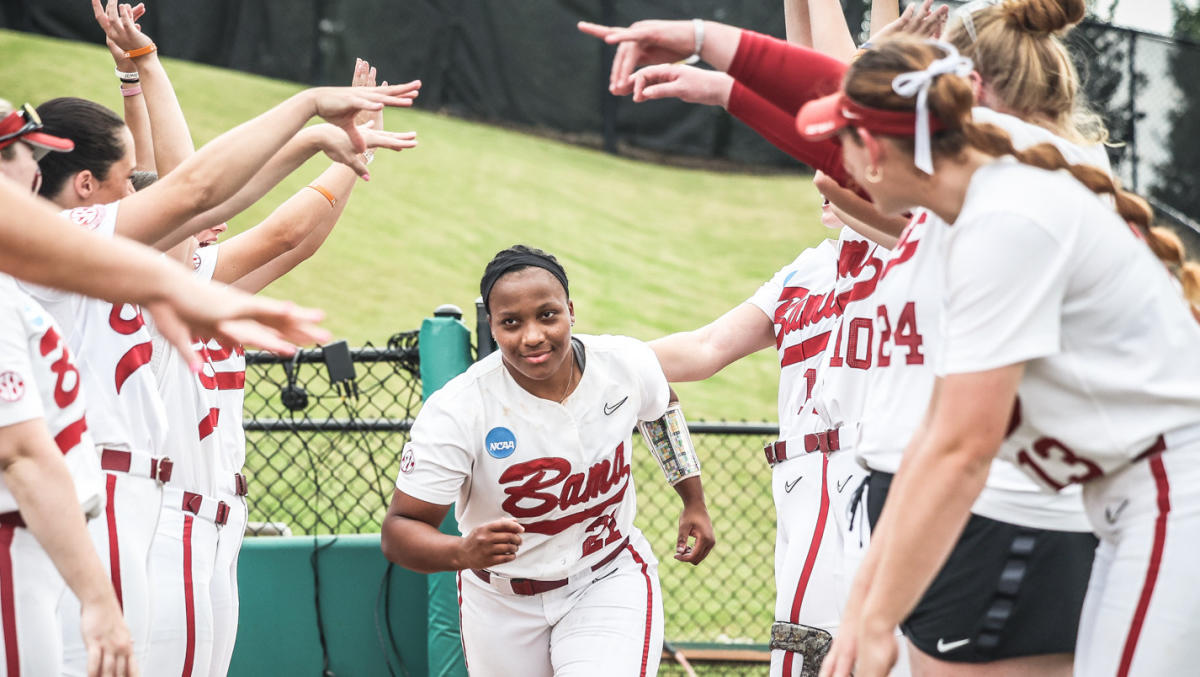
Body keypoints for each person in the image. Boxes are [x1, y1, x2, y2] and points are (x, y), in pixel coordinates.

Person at [789, 36, 1200, 677]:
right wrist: (866, 605)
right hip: (1134, 497)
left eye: (840, 141)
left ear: (872, 151)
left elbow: (963, 451)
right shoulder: (966, 221)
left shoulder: (1004, 219)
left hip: (1176, 490)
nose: (833, 161)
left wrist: (876, 622)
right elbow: (929, 442)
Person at [16, 74, 415, 672]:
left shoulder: (95, 257)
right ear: (83, 184)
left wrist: (314, 140)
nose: (142, 196)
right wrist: (306, 114)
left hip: (145, 497)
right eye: (128, 187)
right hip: (114, 489)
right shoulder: (53, 250)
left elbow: (204, 194)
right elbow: (194, 189)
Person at [382, 245, 715, 676]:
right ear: (493, 327)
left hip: (604, 575)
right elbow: (399, 531)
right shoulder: (459, 409)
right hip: (499, 600)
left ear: (570, 311)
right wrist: (461, 550)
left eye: (547, 315)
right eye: (511, 322)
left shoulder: (623, 363)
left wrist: (692, 499)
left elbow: (661, 406)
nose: (533, 335)